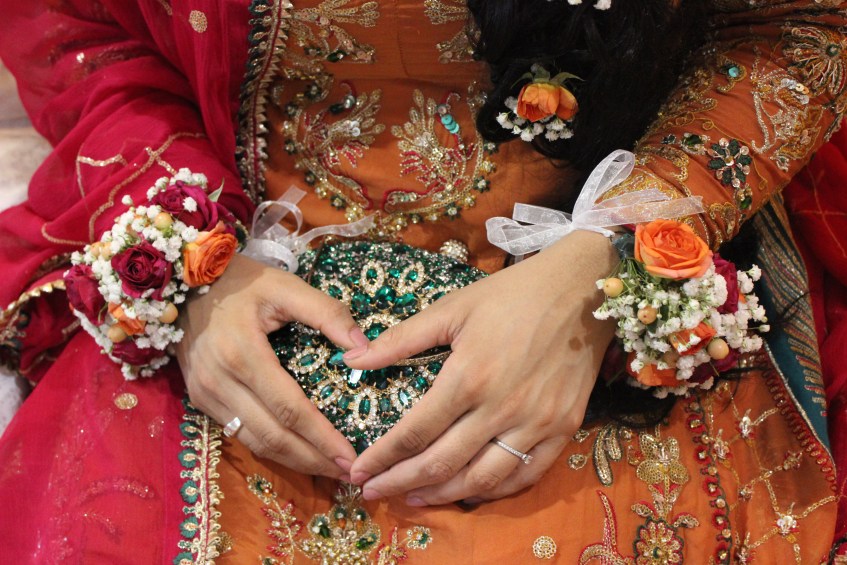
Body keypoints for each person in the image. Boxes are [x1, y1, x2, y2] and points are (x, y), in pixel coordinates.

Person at [0, 0, 842, 562]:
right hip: (237, 291)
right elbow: (79, 31)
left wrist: (605, 257)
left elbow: (798, 26)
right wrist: (191, 270)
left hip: (596, 299)